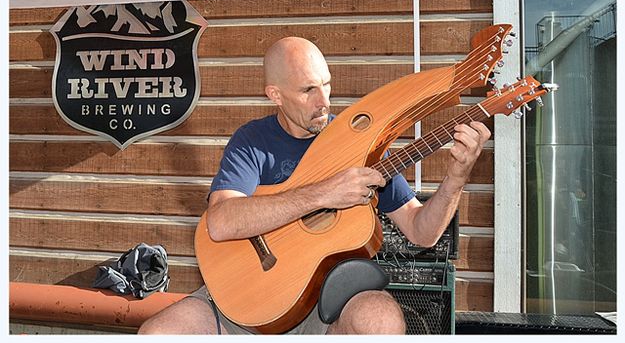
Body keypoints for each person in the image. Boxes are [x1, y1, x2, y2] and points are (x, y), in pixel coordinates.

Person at [138, 37, 490, 335]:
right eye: (308, 90)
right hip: (242, 296)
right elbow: (221, 222)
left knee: (379, 319)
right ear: (275, 95)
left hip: (330, 303)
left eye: (327, 84)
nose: (324, 102)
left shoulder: (358, 143)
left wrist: (456, 178)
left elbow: (421, 231)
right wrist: (324, 193)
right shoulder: (253, 141)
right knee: (157, 333)